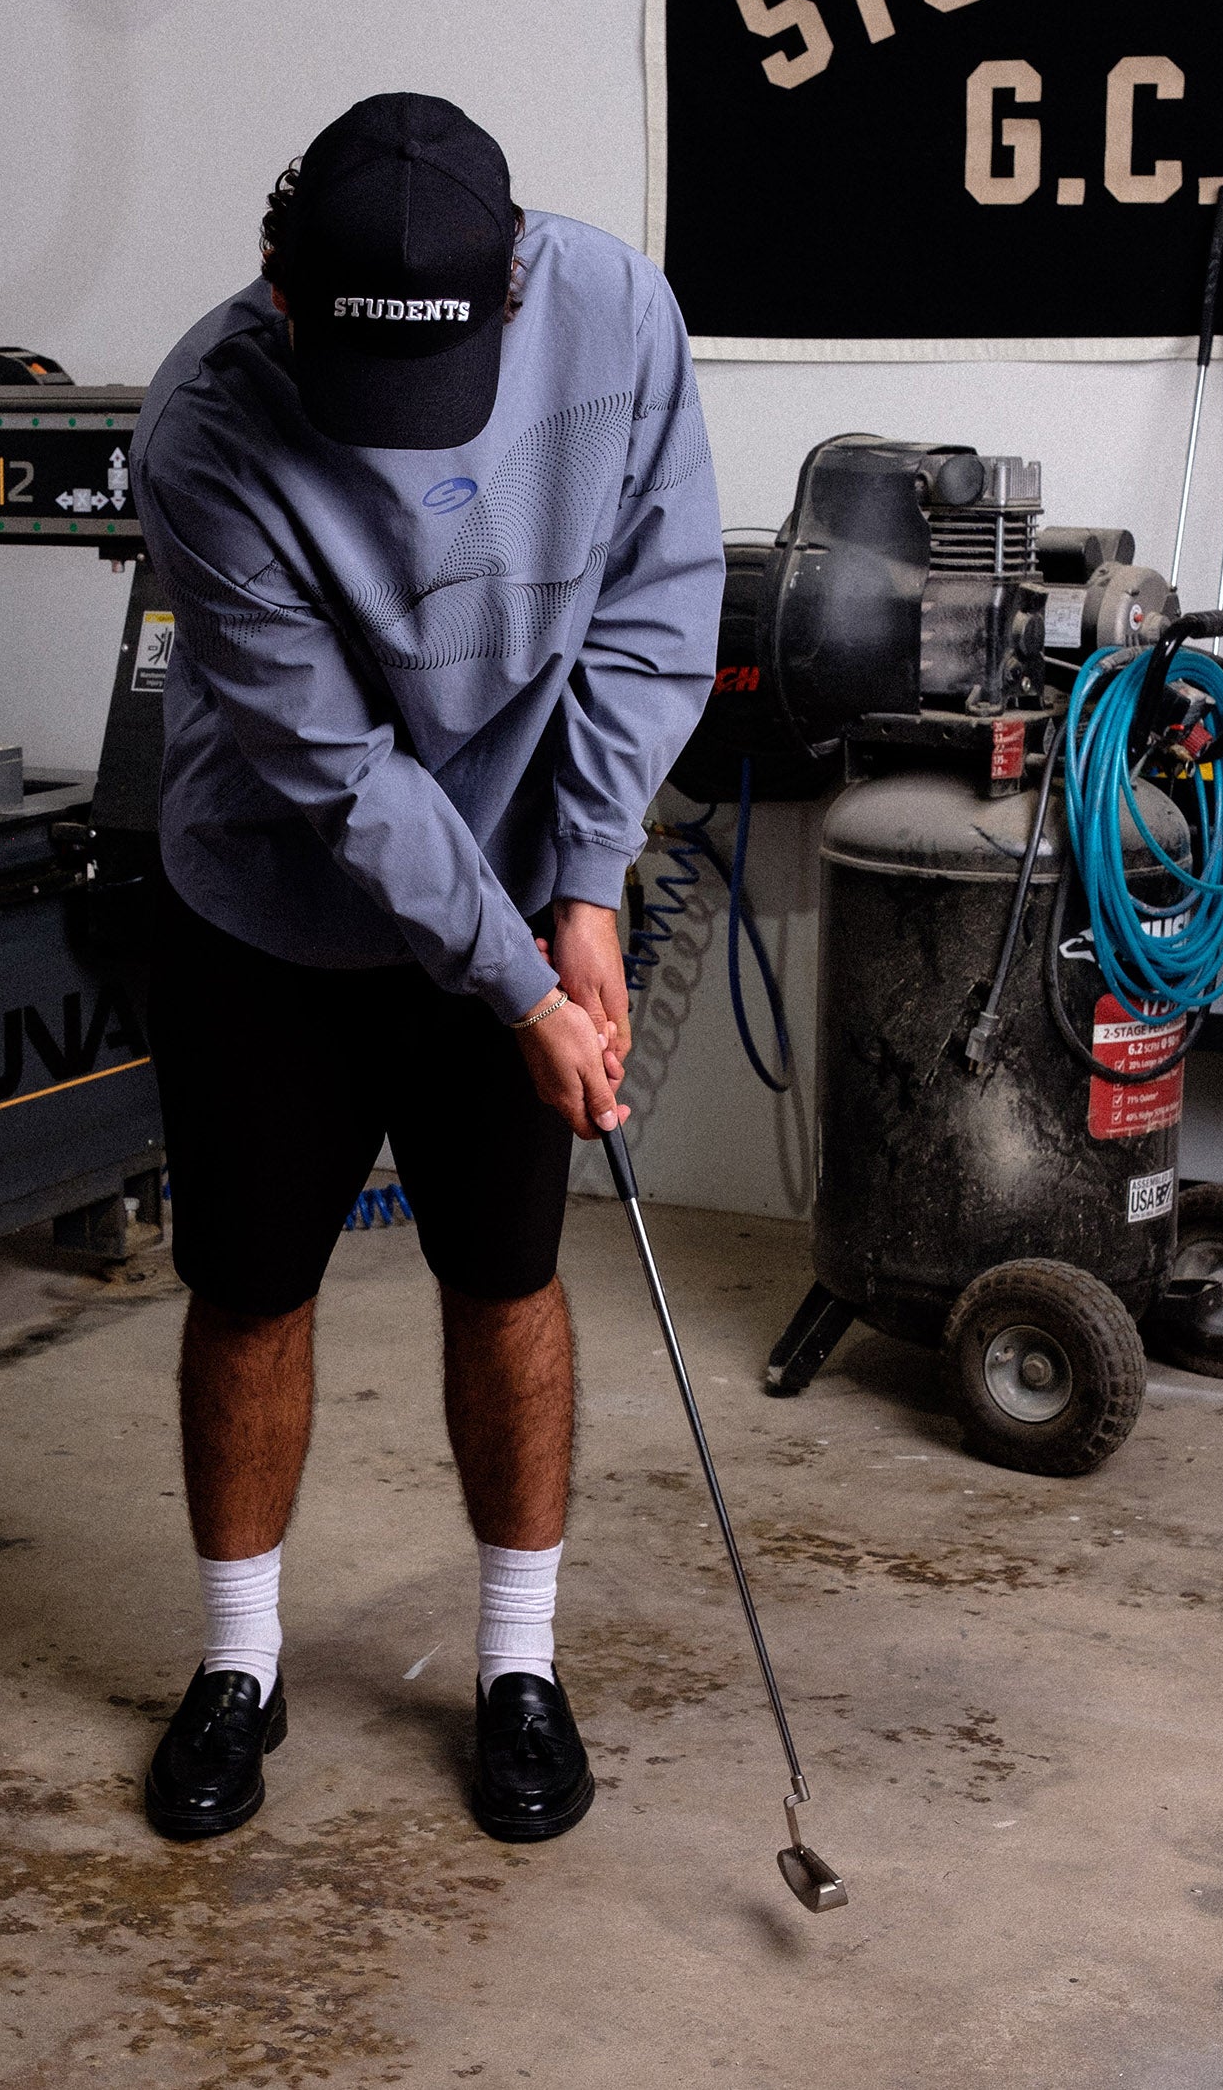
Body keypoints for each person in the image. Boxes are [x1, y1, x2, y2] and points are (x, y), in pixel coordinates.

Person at [130, 92, 722, 1845]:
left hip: (532, 884)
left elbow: (654, 602)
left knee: (509, 1276)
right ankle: (240, 1663)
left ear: (514, 281)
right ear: (279, 287)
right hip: (274, 904)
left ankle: (520, 1664)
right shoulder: (201, 428)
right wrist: (525, 990)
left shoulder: (618, 319)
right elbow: (340, 778)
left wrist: (589, 890)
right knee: (249, 1289)